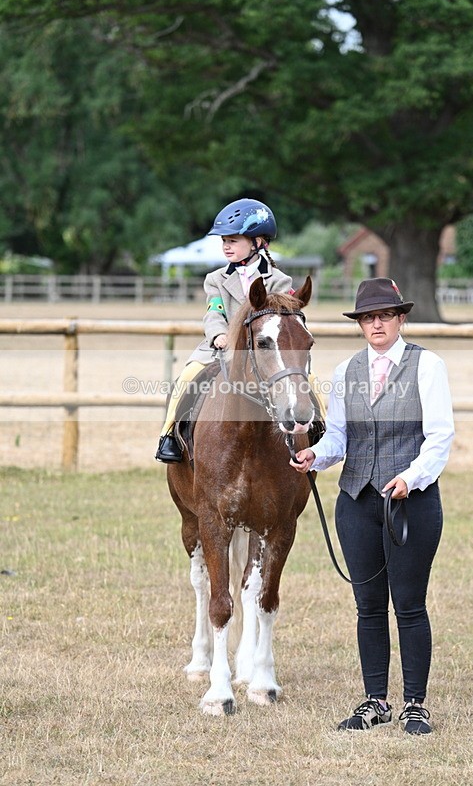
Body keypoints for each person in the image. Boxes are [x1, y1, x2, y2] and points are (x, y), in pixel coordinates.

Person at [290, 277, 454, 735]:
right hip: (357, 501)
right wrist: (315, 457)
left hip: (410, 504)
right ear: (360, 324)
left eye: (384, 315)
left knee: (409, 605)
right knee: (367, 606)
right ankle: (375, 700)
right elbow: (340, 437)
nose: (376, 324)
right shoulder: (345, 372)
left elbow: (440, 437)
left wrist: (411, 477)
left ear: (401, 318)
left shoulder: (428, 366)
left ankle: (415, 703)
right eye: (367, 317)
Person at [155, 197, 293, 463]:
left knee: (307, 382)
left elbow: (283, 322)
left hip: (265, 350)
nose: (226, 246)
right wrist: (220, 335)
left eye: (233, 240)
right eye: (224, 241)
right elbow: (214, 312)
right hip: (219, 348)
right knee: (187, 377)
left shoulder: (279, 281)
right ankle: (169, 435)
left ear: (258, 242)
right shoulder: (215, 279)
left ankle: (315, 431)